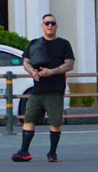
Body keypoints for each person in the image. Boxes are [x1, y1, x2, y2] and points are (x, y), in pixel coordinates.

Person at [12, 14, 74, 163]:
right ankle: (24, 151)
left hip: (55, 90)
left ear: (56, 26)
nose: (50, 26)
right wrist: (32, 71)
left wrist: (51, 72)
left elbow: (70, 64)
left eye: (53, 23)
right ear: (42, 26)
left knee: (55, 122)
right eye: (47, 23)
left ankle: (52, 153)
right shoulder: (35, 43)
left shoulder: (64, 44)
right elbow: (26, 61)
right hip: (37, 90)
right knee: (29, 118)